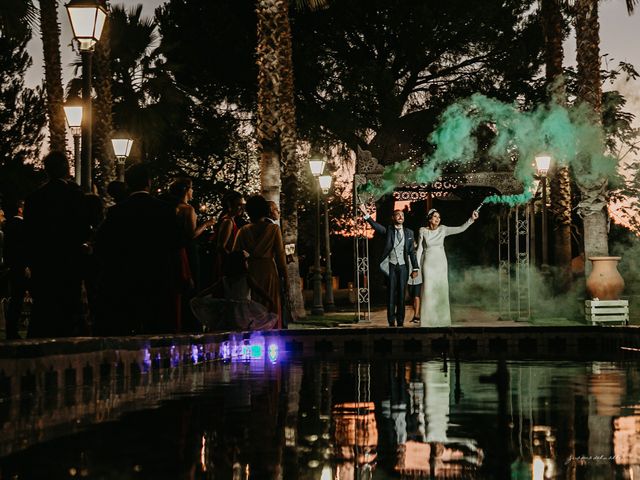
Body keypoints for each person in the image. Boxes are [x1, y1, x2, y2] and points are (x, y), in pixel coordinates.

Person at [94, 163, 180, 335]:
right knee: (156, 327)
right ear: (148, 182)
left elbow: (104, 242)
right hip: (157, 274)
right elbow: (177, 241)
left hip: (127, 275)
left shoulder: (116, 211)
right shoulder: (165, 210)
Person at [23, 151, 88, 338]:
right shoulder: (75, 195)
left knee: (44, 311)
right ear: (66, 170)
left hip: (44, 265)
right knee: (69, 313)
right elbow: (82, 229)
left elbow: (30, 235)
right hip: (69, 264)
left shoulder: (34, 199)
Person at [417, 208, 479, 327]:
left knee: (441, 289)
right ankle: (428, 321)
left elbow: (460, 228)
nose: (437, 219)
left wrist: (471, 219)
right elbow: (420, 248)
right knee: (428, 290)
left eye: (439, 217)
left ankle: (442, 320)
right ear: (430, 218)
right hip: (428, 262)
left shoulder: (443, 229)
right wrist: (416, 266)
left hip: (441, 262)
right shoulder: (423, 230)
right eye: (435, 216)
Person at [359, 204, 419, 327]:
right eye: (398, 215)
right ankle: (391, 320)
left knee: (402, 294)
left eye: (402, 215)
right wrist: (365, 213)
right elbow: (375, 226)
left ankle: (401, 320)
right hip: (391, 265)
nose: (401, 217)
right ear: (393, 218)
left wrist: (415, 268)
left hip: (403, 267)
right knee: (391, 293)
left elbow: (412, 252)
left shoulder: (409, 233)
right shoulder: (388, 230)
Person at [233, 195, 287, 328]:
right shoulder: (274, 229)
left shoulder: (243, 231)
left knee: (254, 306)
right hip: (268, 271)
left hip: (250, 271)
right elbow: (280, 256)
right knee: (270, 305)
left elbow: (236, 255)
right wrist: (284, 276)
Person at [190, 251, 277, 331]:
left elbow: (211, 289)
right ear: (242, 264)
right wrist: (270, 300)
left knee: (230, 330)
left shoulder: (225, 280)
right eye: (245, 261)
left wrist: (198, 296)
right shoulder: (246, 278)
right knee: (244, 329)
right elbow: (259, 290)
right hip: (243, 311)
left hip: (229, 310)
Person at [213, 191, 246, 281]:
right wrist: (234, 261)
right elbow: (221, 246)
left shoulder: (230, 220)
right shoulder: (228, 222)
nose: (241, 208)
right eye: (239, 205)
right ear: (230, 205)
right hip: (226, 263)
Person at [407, 242, 422, 324]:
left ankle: (416, 315)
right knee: (413, 298)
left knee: (416, 297)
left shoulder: (418, 254)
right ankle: (416, 315)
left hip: (418, 278)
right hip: (409, 279)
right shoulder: (406, 254)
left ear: (416, 245)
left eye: (413, 243)